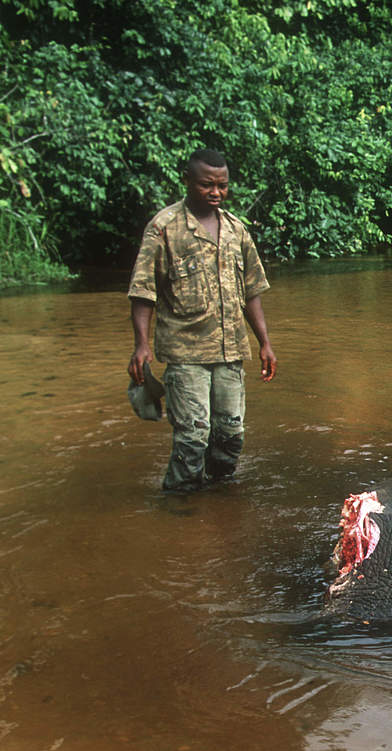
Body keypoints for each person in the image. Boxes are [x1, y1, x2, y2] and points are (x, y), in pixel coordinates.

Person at [127, 147, 277, 492]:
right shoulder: (163, 228)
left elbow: (252, 291)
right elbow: (142, 292)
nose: (216, 193)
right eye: (207, 185)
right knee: (193, 437)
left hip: (230, 352)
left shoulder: (237, 231)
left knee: (230, 435)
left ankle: (219, 499)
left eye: (222, 186)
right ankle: (179, 504)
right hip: (185, 354)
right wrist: (141, 346)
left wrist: (265, 342)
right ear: (188, 181)